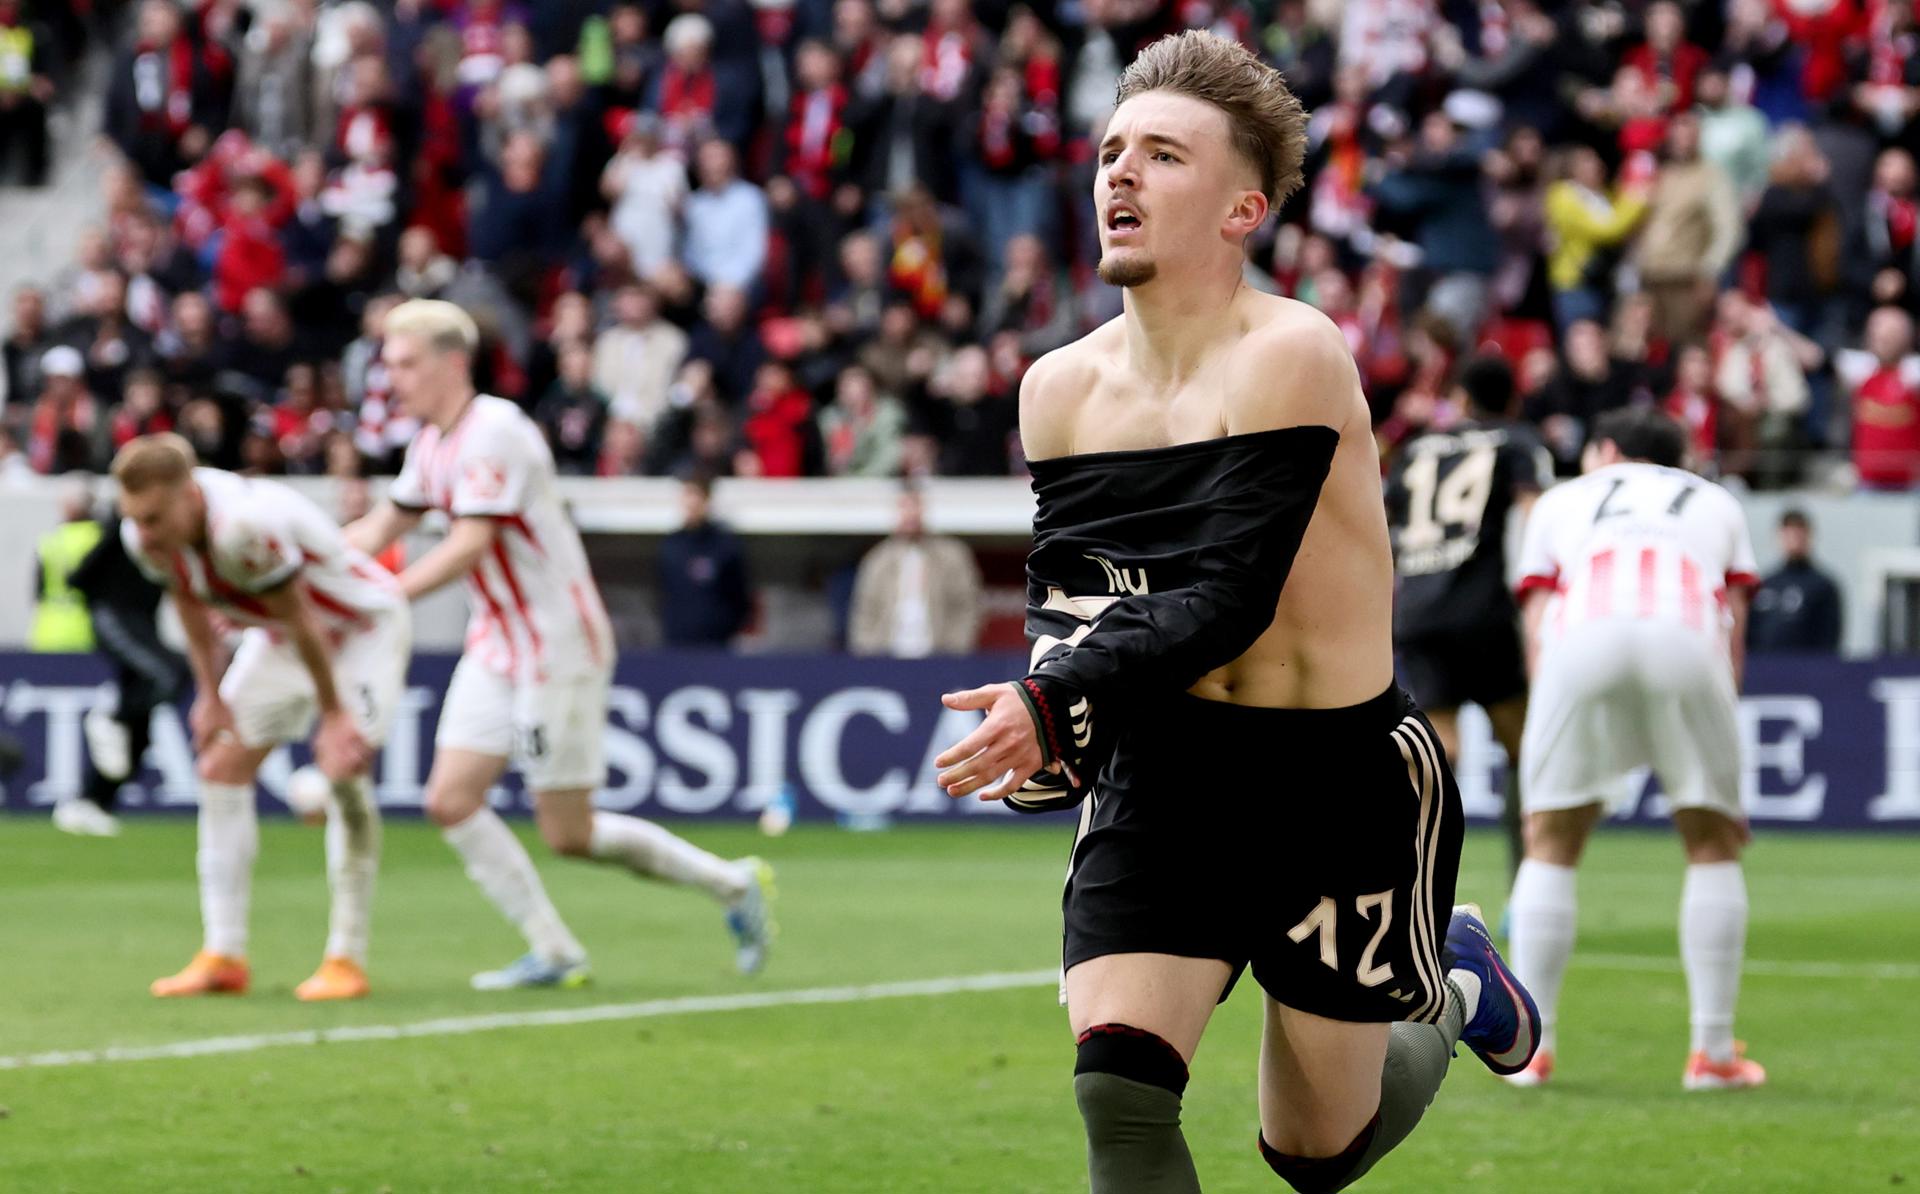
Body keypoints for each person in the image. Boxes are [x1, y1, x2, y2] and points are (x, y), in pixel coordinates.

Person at [930, 33, 1538, 1194]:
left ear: (1241, 210)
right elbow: (1074, 596)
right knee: (1118, 1092)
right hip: (1165, 766)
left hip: (1333, 775)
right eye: (1112, 151)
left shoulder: (1292, 351)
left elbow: (1226, 598)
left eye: (1164, 155)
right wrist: (1055, 731)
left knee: (1315, 1155)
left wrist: (1057, 695)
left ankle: (1456, 985)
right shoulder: (1058, 388)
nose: (1120, 172)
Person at [345, 301, 773, 990]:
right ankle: (554, 950)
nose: (392, 379)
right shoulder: (430, 444)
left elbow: (471, 542)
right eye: (387, 365)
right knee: (450, 799)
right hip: (495, 641)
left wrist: (381, 598)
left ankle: (731, 884)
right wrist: (302, 574)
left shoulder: (495, 431)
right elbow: (378, 526)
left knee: (568, 833)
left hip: (557, 643)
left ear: (454, 362)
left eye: (406, 363)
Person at [1506, 407, 1765, 1091]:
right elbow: (1734, 622)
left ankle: (1531, 1053)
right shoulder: (1716, 500)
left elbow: (1536, 618)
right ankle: (1712, 1053)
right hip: (1686, 636)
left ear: (1606, 450)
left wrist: (1548, 717)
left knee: (1550, 840)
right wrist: (1721, 731)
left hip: (1580, 639)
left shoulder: (1562, 499)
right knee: (1710, 840)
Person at [116, 434, 406, 1003]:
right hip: (282, 636)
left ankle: (345, 957)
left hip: (358, 630)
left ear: (188, 495)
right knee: (220, 765)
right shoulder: (145, 536)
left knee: (342, 770)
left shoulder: (241, 528)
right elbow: (188, 600)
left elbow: (303, 618)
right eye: (134, 518)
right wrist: (210, 695)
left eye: (153, 518)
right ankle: (223, 954)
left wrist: (334, 715)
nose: (144, 533)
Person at [1385, 356, 1553, 880]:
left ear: (1460, 398)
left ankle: (1418, 888)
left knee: (1438, 756)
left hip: (1417, 612)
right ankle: (1528, 882)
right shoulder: (1517, 441)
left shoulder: (1416, 448)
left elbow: (1380, 524)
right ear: (1513, 401)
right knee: (1526, 746)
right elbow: (1536, 515)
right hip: (1482, 612)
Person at [57, 500, 189, 839]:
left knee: (140, 731)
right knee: (169, 674)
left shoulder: (181, 527)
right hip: (113, 616)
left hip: (143, 624)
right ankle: (111, 718)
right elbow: (83, 573)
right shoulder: (131, 519)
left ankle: (91, 802)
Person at [848, 485, 981, 657]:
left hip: (940, 657)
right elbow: (864, 612)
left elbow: (967, 606)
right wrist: (869, 652)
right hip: (887, 657)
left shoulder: (951, 556)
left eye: (916, 507)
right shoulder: (878, 559)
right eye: (904, 507)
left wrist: (955, 649)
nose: (911, 514)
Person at [656, 471, 754, 648]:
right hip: (677, 642)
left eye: (696, 496)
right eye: (687, 495)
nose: (691, 503)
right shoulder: (671, 545)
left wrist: (727, 628)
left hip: (717, 644)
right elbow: (661, 592)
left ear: (707, 500)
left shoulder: (725, 545)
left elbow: (739, 595)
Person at [1747, 509, 1843, 653]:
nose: (1794, 540)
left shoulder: (1823, 587)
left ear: (1809, 535)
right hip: (1764, 664)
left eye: (1798, 534)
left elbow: (1829, 639)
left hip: (1806, 664)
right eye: (1788, 534)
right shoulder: (1765, 585)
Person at [28, 480, 102, 653]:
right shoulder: (100, 540)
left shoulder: (49, 541)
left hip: (47, 631)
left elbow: (38, 591)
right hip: (90, 632)